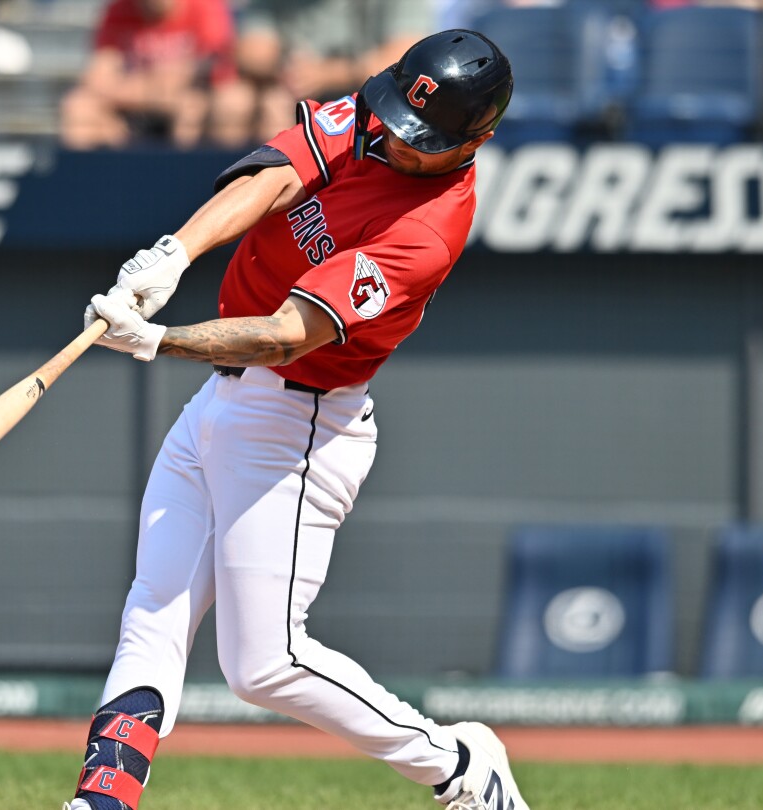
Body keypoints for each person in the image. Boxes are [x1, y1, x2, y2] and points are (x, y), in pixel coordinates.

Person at [65, 30, 528, 810]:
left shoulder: (427, 229)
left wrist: (158, 340)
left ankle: (460, 766)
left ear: (473, 141)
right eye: (397, 118)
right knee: (154, 605)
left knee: (265, 665)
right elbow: (276, 176)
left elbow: (287, 335)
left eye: (421, 139)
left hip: (299, 425)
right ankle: (103, 798)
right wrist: (175, 253)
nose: (396, 140)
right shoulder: (376, 117)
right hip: (221, 402)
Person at [208, 0, 433, 148]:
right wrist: (292, 70)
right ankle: (236, 193)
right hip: (290, 89)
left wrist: (326, 73)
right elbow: (252, 49)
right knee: (236, 102)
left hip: (369, 101)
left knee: (282, 114)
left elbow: (406, 57)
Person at [59, 0, 234, 149]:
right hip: (133, 105)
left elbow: (208, 67)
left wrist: (160, 85)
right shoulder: (119, 9)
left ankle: (190, 172)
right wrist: (151, 91)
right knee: (79, 106)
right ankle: (107, 171)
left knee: (222, 104)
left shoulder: (205, 6)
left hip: (187, 101)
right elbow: (98, 76)